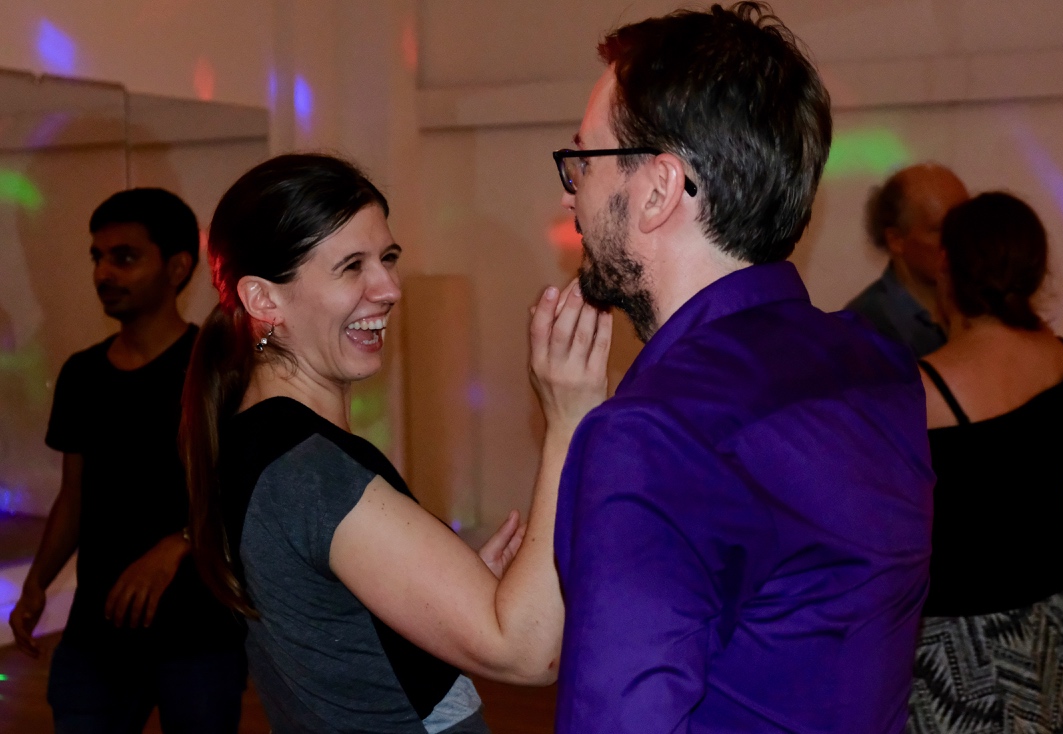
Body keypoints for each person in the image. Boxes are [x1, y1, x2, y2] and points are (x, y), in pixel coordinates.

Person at [549, 4, 935, 732]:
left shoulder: (653, 433)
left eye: (583, 159)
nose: (571, 190)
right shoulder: (875, 364)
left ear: (658, 189)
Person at [179, 153, 610, 734]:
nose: (389, 289)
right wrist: (570, 420)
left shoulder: (254, 437)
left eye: (387, 258)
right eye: (351, 267)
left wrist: (436, 595)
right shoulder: (310, 470)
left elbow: (330, 638)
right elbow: (531, 653)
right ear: (263, 300)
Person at [7, 188, 247, 733]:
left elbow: (244, 486)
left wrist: (177, 543)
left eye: (125, 257)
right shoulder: (82, 374)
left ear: (177, 267)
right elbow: (74, 494)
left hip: (197, 630)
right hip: (98, 630)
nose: (104, 273)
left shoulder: (216, 369)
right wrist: (37, 582)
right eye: (98, 257)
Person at [907, 192, 1063, 733]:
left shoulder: (917, 392)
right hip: (1055, 613)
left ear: (946, 265)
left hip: (955, 635)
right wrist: (1051, 507)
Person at [846, 164, 969, 357]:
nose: (961, 239)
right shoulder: (864, 327)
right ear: (896, 240)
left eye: (967, 225)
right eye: (941, 229)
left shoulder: (983, 309)